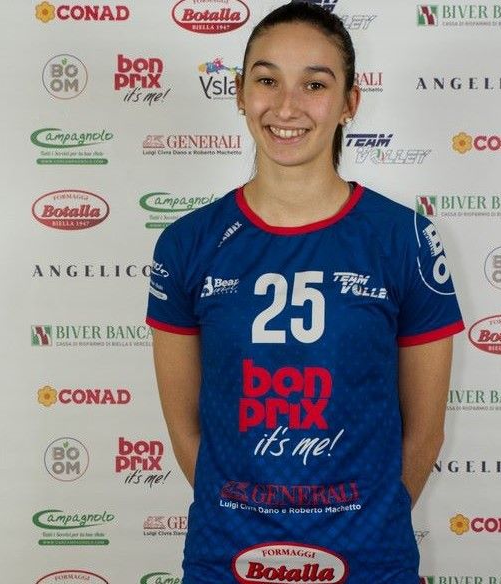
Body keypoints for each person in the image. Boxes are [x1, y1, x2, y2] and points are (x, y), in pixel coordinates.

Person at [146, 3, 464, 582]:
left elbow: (425, 430)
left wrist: (366, 523)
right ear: (240, 93)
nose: (287, 107)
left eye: (314, 85)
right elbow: (186, 429)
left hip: (370, 562)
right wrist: (244, 520)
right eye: (267, 80)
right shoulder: (186, 244)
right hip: (227, 561)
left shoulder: (405, 239)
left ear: (349, 103)